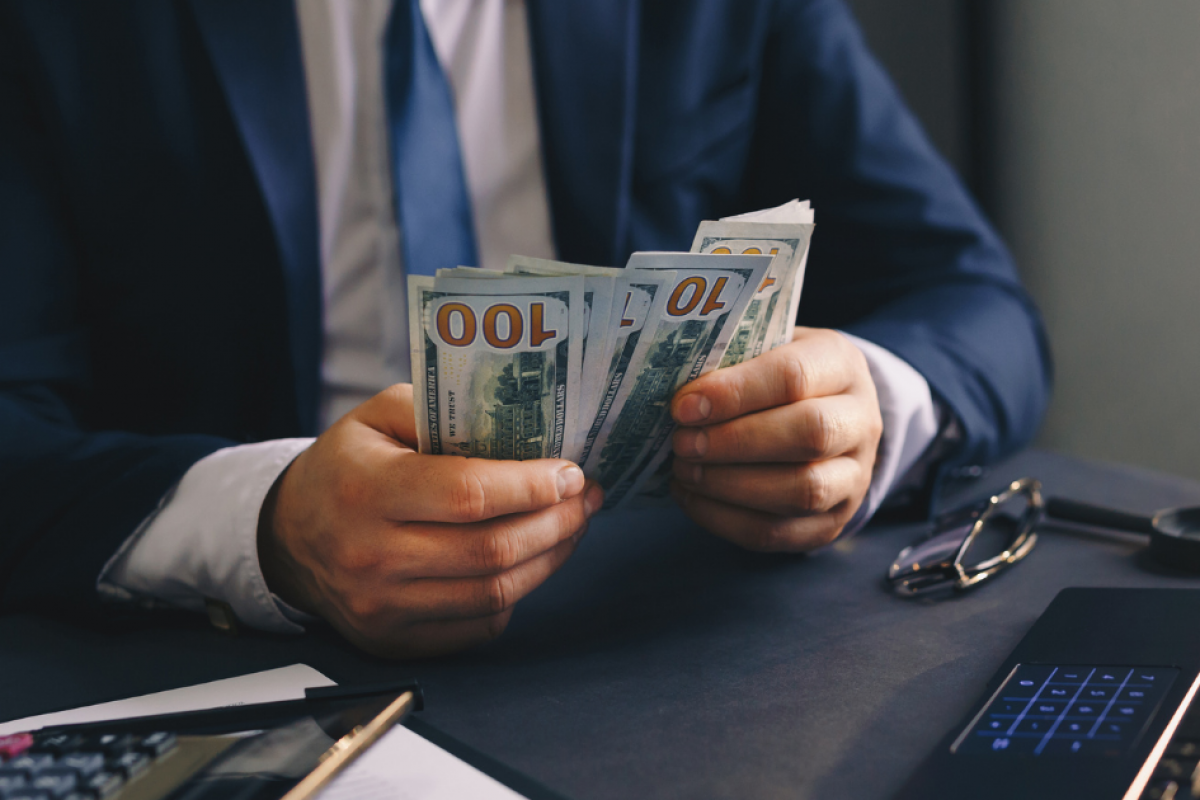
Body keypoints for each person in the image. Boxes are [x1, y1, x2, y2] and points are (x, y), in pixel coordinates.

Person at [0, 0, 1051, 658]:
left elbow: (976, 305)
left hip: (673, 631)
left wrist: (864, 402)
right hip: (226, 655)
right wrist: (268, 526)